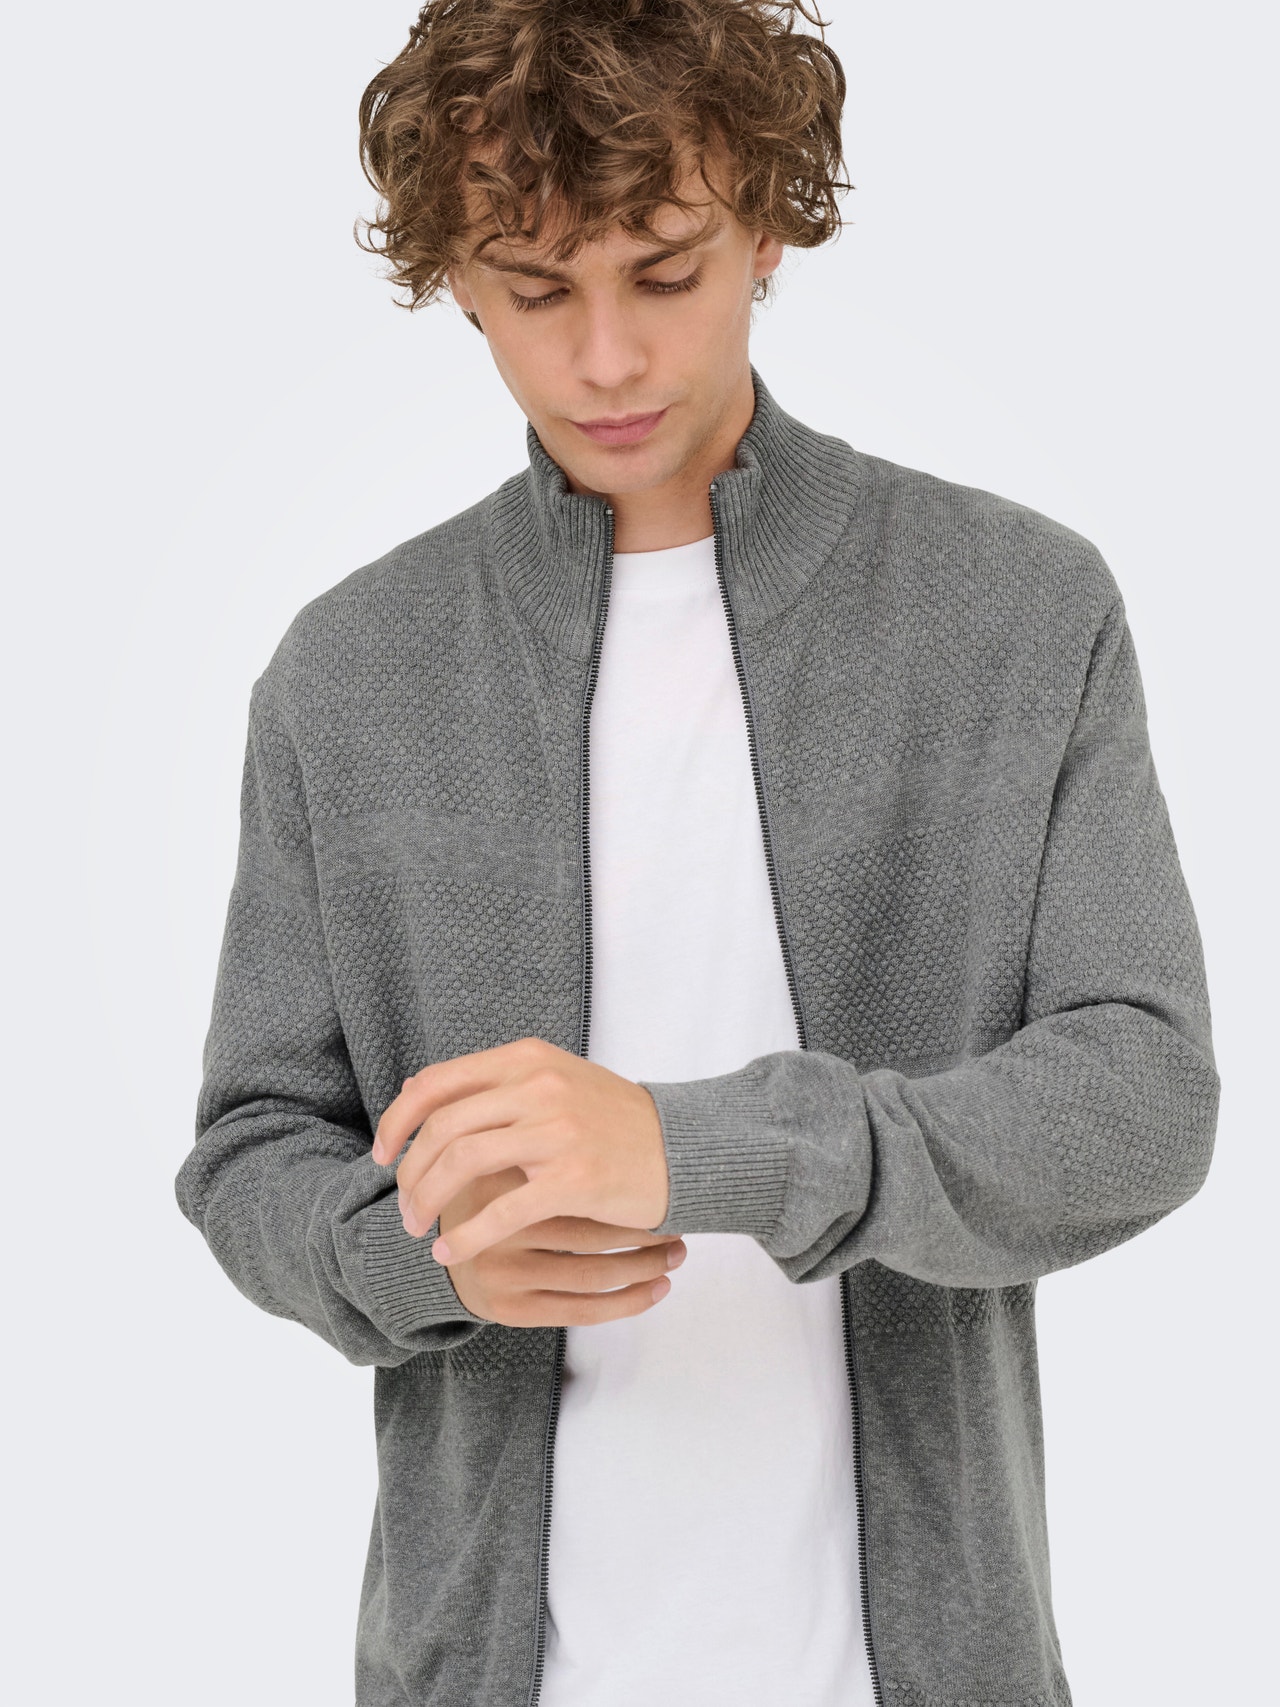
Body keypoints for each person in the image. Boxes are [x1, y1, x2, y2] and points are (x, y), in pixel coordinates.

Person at [173, 1, 1221, 1702]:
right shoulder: (348, 677)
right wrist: (415, 1252)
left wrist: (699, 1151)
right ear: (458, 280)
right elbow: (250, 1148)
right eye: (535, 290)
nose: (606, 360)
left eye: (664, 273)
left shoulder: (1018, 612)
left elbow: (1145, 1097)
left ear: (768, 228)